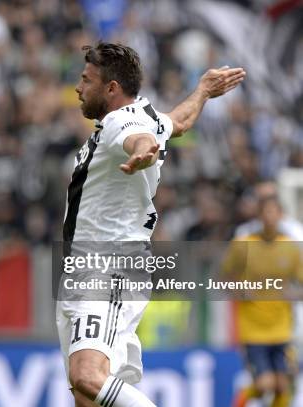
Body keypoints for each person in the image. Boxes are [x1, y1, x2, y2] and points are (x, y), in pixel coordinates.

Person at [58, 40, 245, 407]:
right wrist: (203, 91)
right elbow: (179, 123)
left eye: (86, 80)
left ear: (112, 88)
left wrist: (142, 151)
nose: (78, 88)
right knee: (86, 396)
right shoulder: (147, 115)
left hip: (107, 267)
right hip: (87, 268)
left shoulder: (119, 121)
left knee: (87, 377)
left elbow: (137, 139)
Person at [225, 196, 301, 407]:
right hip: (254, 329)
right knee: (265, 384)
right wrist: (241, 291)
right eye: (266, 212)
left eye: (274, 212)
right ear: (258, 216)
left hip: (283, 326)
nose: (270, 217)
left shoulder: (290, 247)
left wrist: (294, 293)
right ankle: (240, 401)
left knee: (283, 386)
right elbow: (225, 278)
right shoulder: (243, 244)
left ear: (281, 215)